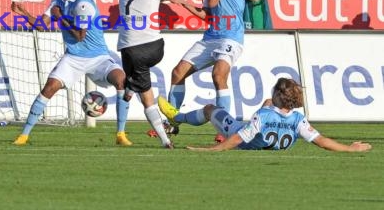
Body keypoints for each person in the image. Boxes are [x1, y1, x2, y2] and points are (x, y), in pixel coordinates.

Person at [11, 0, 132, 146]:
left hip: (98, 57)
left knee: (121, 80)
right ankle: (24, 135)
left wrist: (59, 17)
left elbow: (80, 35)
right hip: (74, 57)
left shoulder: (83, 3)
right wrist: (24, 13)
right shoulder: (57, 1)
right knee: (49, 87)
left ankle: (121, 135)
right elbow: (40, 25)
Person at [158, 77, 372, 152]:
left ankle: (177, 117)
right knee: (267, 105)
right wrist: (350, 149)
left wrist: (209, 149)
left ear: (279, 93)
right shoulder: (299, 120)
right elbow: (322, 141)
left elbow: (238, 138)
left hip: (238, 132)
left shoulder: (264, 116)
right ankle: (178, 117)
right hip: (270, 135)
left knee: (210, 109)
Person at [165, 0, 244, 143]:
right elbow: (207, 14)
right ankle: (171, 123)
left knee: (218, 76)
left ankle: (224, 127)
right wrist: (184, 3)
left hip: (230, 36)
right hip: (211, 36)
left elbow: (213, 2)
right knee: (178, 72)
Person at [117, 0, 200, 148]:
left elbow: (145, 1)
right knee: (145, 93)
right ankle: (132, 85)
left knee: (145, 95)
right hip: (152, 48)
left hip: (128, 49)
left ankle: (164, 139)